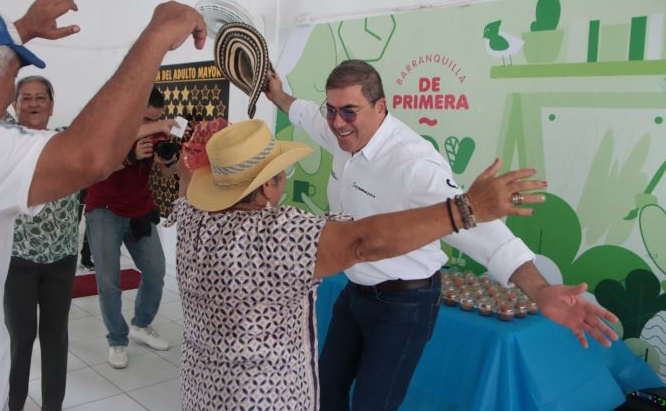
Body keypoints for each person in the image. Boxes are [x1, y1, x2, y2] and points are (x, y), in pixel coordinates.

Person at [0, 0, 206, 411]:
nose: (14, 98)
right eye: (13, 81)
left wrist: (17, 29)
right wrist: (155, 37)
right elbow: (90, 157)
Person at [265, 60, 619, 410]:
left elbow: (478, 226)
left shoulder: (414, 164)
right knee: (325, 391)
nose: (337, 121)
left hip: (403, 303)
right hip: (355, 291)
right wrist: (277, 94)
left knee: (374, 405)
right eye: (332, 110)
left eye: (349, 111)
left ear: (380, 107)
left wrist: (541, 291)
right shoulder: (341, 131)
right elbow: (306, 115)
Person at [163, 118, 545, 410]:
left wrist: (199, 156)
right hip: (264, 397)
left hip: (203, 390)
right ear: (268, 186)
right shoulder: (275, 234)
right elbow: (363, 242)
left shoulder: (194, 217)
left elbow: (186, 181)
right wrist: (467, 208)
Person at [3, 76, 80, 411]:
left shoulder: (68, 141)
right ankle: (13, 405)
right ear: (15, 103)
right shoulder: (4, 139)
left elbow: (112, 140)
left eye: (40, 97)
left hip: (61, 259)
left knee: (55, 340)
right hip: (17, 259)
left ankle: (53, 406)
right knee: (20, 340)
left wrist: (157, 126)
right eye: (26, 98)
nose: (33, 104)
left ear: (51, 103)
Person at [84, 87, 172, 369]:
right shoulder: (110, 125)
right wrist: (131, 156)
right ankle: (117, 340)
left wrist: (166, 158)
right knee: (109, 281)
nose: (150, 127)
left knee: (156, 270)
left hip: (140, 209)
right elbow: (97, 166)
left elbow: (172, 172)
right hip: (104, 210)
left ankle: (141, 325)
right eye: (145, 120)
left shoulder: (155, 134)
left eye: (155, 120)